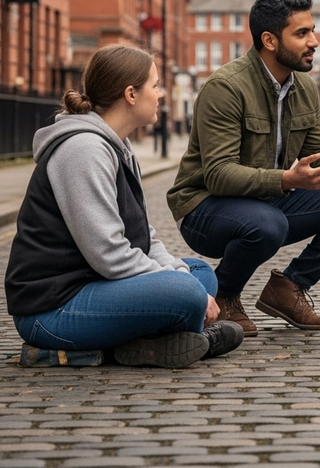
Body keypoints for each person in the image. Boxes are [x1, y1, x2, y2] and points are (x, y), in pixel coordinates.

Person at [167, 0, 320, 336]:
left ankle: (289, 288)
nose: (314, 42)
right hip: (203, 208)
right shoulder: (225, 87)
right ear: (269, 40)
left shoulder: (304, 87)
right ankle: (223, 292)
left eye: (313, 30)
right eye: (302, 34)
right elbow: (219, 175)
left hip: (264, 202)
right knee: (268, 224)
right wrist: (287, 180)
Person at [4, 45, 244, 369]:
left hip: (96, 286)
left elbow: (143, 235)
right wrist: (183, 288)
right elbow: (109, 253)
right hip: (52, 309)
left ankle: (148, 345)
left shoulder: (119, 146)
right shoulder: (83, 150)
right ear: (131, 94)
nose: (161, 94)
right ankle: (126, 347)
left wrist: (179, 275)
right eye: (155, 85)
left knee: (200, 275)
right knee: (187, 293)